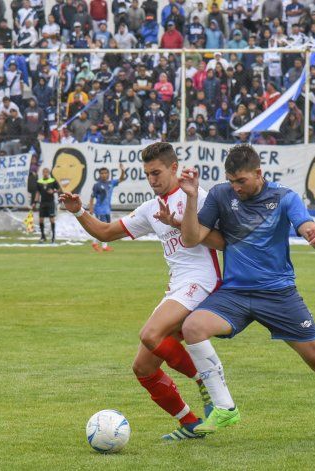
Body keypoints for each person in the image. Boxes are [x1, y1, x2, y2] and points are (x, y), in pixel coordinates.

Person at [175, 144, 315, 447]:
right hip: (236, 294)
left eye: (242, 181)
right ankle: (225, 408)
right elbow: (190, 238)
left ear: (258, 173)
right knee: (193, 327)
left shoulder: (284, 198)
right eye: (232, 181)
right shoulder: (220, 195)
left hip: (279, 295)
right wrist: (190, 197)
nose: (236, 188)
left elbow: (307, 228)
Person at [59, 142, 224, 441]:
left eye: (157, 173)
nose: (152, 180)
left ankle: (205, 381)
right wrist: (79, 210)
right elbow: (106, 232)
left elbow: (225, 237)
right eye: (147, 174)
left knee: (150, 334)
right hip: (178, 288)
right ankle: (189, 423)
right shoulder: (150, 209)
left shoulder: (196, 197)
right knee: (143, 367)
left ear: (174, 168)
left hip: (202, 282)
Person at [88, 164, 127, 252]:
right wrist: (91, 208)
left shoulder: (111, 183)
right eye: (102, 173)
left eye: (105, 173)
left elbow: (121, 179)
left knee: (107, 228)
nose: (104, 175)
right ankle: (95, 243)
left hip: (107, 209)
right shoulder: (97, 185)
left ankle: (104, 246)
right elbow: (92, 197)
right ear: (99, 175)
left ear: (108, 174)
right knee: (101, 228)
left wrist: (123, 170)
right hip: (99, 209)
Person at [33, 167, 62, 243]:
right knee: (41, 219)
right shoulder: (39, 182)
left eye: (47, 172)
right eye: (44, 172)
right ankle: (43, 236)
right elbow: (37, 193)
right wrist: (35, 202)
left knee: (51, 219)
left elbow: (59, 189)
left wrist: (53, 191)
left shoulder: (52, 181)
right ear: (42, 173)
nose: (45, 174)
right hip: (42, 203)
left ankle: (53, 237)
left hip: (50, 202)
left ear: (48, 173)